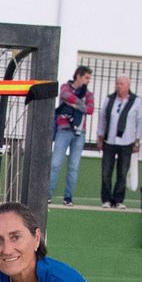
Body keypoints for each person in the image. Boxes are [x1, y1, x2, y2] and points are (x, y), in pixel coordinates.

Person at [96, 75, 142, 209]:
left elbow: (140, 121)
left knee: (122, 173)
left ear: (128, 85)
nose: (119, 86)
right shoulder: (110, 99)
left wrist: (137, 141)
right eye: (117, 83)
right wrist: (100, 137)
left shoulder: (136, 101)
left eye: (122, 84)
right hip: (109, 140)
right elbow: (102, 118)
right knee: (106, 172)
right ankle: (106, 199)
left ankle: (118, 200)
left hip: (127, 141)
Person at [49, 66, 94, 207]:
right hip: (63, 130)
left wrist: (75, 105)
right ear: (78, 76)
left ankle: (68, 198)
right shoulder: (65, 87)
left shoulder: (88, 94)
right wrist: (81, 104)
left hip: (79, 133)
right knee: (55, 164)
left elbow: (90, 109)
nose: (88, 81)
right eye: (86, 77)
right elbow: (65, 95)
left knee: (73, 167)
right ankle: (48, 195)